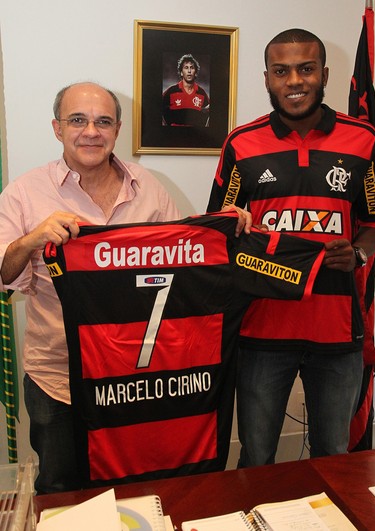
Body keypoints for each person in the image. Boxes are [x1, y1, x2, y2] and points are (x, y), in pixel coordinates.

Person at [0, 81, 250, 494]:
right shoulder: (25, 193)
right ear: (57, 128)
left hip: (135, 380)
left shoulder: (148, 185)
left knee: (134, 486)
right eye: (77, 120)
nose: (91, 131)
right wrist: (31, 241)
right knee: (61, 490)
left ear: (117, 129)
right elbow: (4, 275)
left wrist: (224, 228)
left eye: (103, 121)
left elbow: (183, 258)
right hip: (57, 378)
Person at [207, 29, 375, 467]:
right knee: (257, 455)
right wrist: (237, 228)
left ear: (324, 74)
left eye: (306, 69)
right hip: (261, 327)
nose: (295, 80)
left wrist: (360, 254)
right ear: (268, 79)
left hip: (336, 330)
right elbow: (220, 225)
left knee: (334, 456)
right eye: (282, 71)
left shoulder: (362, 140)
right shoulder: (241, 143)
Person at [162, 53, 210, 127]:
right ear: (181, 72)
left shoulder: (202, 93)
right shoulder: (171, 91)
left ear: (196, 73)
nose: (189, 71)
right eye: (186, 68)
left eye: (192, 68)